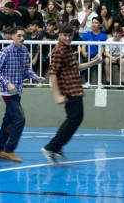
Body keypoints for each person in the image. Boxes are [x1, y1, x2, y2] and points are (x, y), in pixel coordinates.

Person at [41, 22, 102, 165]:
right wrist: (57, 94)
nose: (68, 38)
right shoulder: (58, 51)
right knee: (74, 119)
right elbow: (53, 73)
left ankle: (56, 146)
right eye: (65, 35)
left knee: (75, 118)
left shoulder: (68, 49)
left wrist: (93, 63)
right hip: (68, 89)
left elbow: (77, 68)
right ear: (59, 35)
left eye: (70, 35)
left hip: (75, 88)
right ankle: (51, 147)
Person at [0, 26, 45, 162]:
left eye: (23, 36)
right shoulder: (6, 51)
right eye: (19, 36)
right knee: (20, 119)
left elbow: (25, 69)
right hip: (7, 92)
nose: (22, 38)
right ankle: (9, 150)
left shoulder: (24, 51)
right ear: (13, 36)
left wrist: (36, 77)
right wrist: (7, 83)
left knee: (8, 121)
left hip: (18, 91)